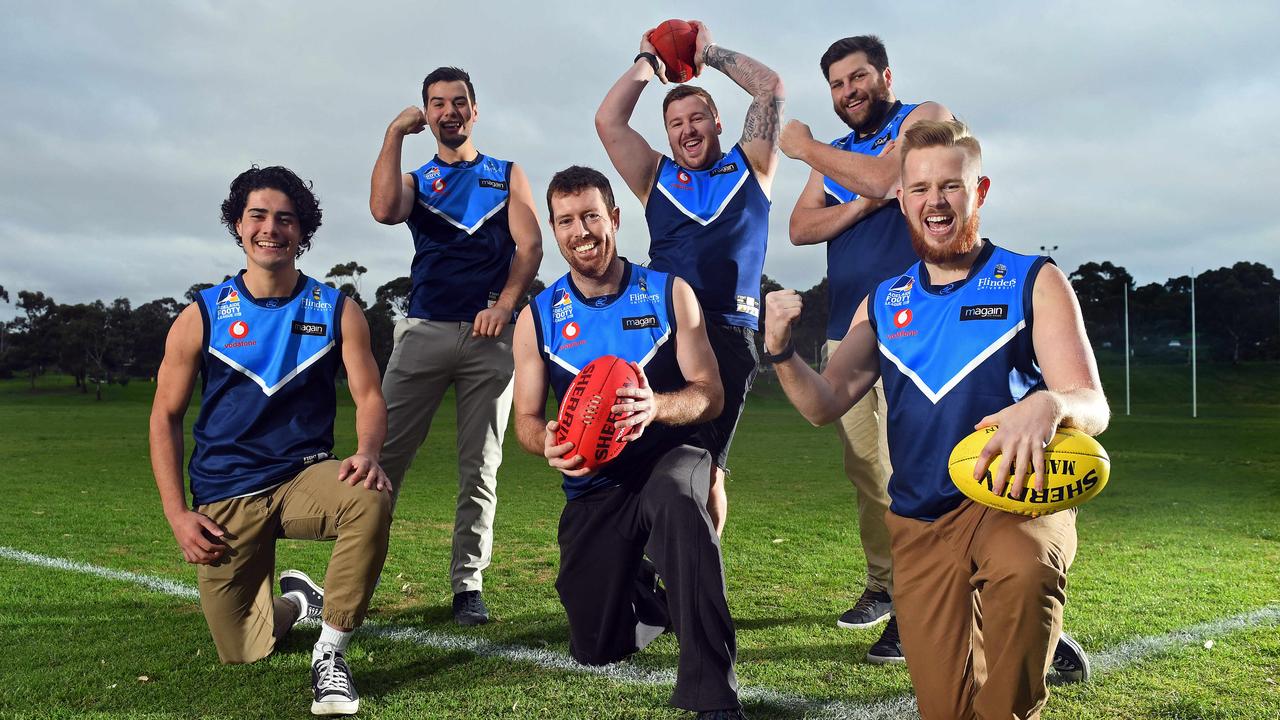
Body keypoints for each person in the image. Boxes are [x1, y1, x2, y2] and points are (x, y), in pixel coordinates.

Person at [764, 120, 1109, 719]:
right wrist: (779, 351)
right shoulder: (885, 301)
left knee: (1025, 576)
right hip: (920, 519)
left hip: (1013, 498)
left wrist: (1049, 403)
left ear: (980, 191)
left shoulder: (1034, 280)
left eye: (951, 185)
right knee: (946, 709)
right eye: (920, 187)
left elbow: (1091, 401)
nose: (936, 200)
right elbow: (824, 403)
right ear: (900, 197)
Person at [150, 166, 393, 716]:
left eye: (286, 219)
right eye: (257, 215)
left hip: (304, 476)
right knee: (243, 650)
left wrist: (368, 452)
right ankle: (295, 602)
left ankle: (331, 653)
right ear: (238, 225)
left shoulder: (336, 309)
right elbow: (164, 415)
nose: (271, 228)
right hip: (226, 491)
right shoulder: (201, 316)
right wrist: (177, 514)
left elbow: (369, 395)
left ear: (301, 231)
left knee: (368, 496)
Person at [512, 166, 745, 720]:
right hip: (594, 482)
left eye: (591, 216)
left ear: (614, 219)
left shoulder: (668, 293)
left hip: (669, 454)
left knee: (678, 507)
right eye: (566, 221)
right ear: (554, 228)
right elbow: (524, 417)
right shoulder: (538, 318)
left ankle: (713, 696)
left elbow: (709, 395)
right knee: (597, 645)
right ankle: (646, 587)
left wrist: (657, 406)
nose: (581, 231)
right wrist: (542, 440)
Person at [781, 33, 951, 663]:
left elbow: (889, 175)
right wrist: (859, 204)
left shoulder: (924, 118)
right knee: (868, 470)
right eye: (836, 85)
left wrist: (804, 150)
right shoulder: (837, 155)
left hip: (925, 321)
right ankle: (885, 585)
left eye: (857, 78)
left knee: (921, 465)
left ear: (885, 75)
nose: (847, 92)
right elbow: (801, 228)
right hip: (850, 329)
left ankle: (923, 599)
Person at [595, 21, 783, 536]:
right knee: (643, 462)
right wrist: (647, 63)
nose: (687, 129)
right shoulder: (655, 177)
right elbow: (609, 120)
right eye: (675, 122)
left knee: (709, 472)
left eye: (697, 116)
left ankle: (699, 578)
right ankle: (649, 575)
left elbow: (771, 88)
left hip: (726, 336)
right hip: (661, 333)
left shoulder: (752, 166)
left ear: (718, 121)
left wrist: (710, 53)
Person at [370, 66, 543, 625]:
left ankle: (468, 585)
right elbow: (382, 209)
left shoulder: (507, 173)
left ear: (475, 108)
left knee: (481, 468)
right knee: (380, 462)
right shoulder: (417, 181)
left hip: (489, 340)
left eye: (459, 101)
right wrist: (394, 134)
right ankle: (356, 579)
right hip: (422, 333)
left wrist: (505, 304)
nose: (449, 111)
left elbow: (531, 245)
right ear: (428, 112)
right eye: (437, 103)